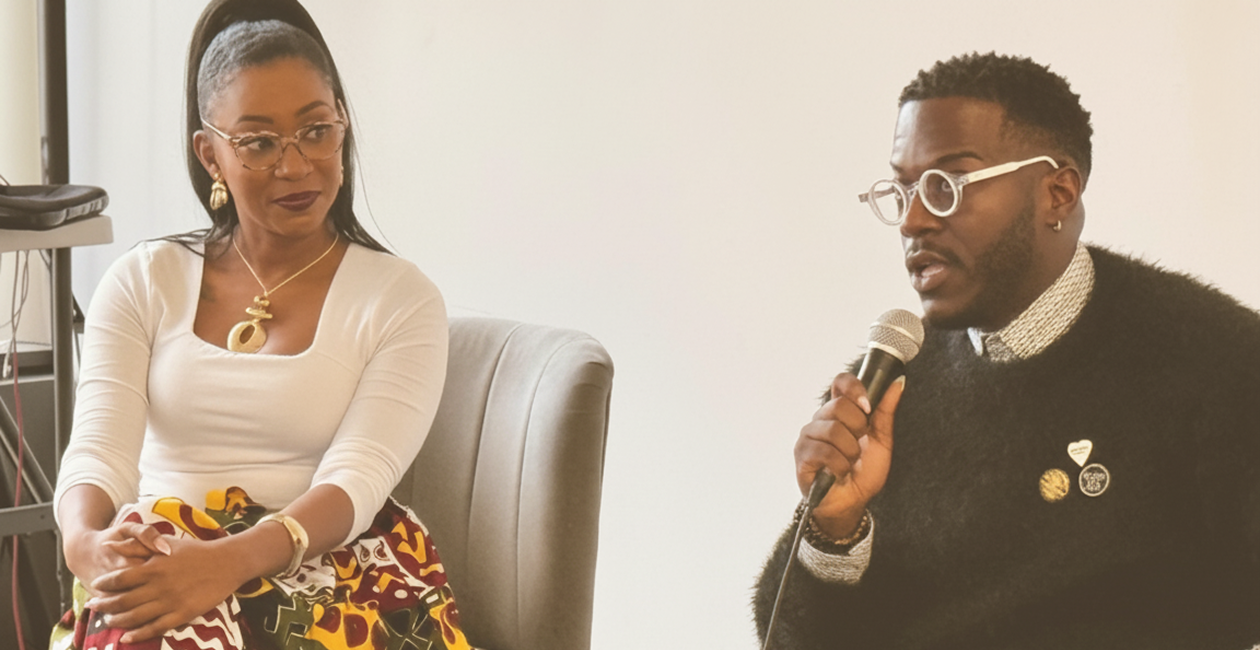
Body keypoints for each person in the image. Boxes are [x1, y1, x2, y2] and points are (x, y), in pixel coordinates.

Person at [753, 52, 1260, 649]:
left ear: (1058, 193)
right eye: (904, 188)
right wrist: (835, 529)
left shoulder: (1218, 362)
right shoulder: (890, 388)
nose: (912, 220)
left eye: (945, 187)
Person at [49, 1, 469, 649]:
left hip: (332, 566)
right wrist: (87, 547)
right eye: (258, 142)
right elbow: (100, 452)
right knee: (142, 618)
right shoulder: (144, 279)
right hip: (167, 546)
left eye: (315, 131)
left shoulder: (400, 298)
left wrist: (227, 563)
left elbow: (356, 478)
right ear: (210, 154)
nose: (295, 165)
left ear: (343, 128)